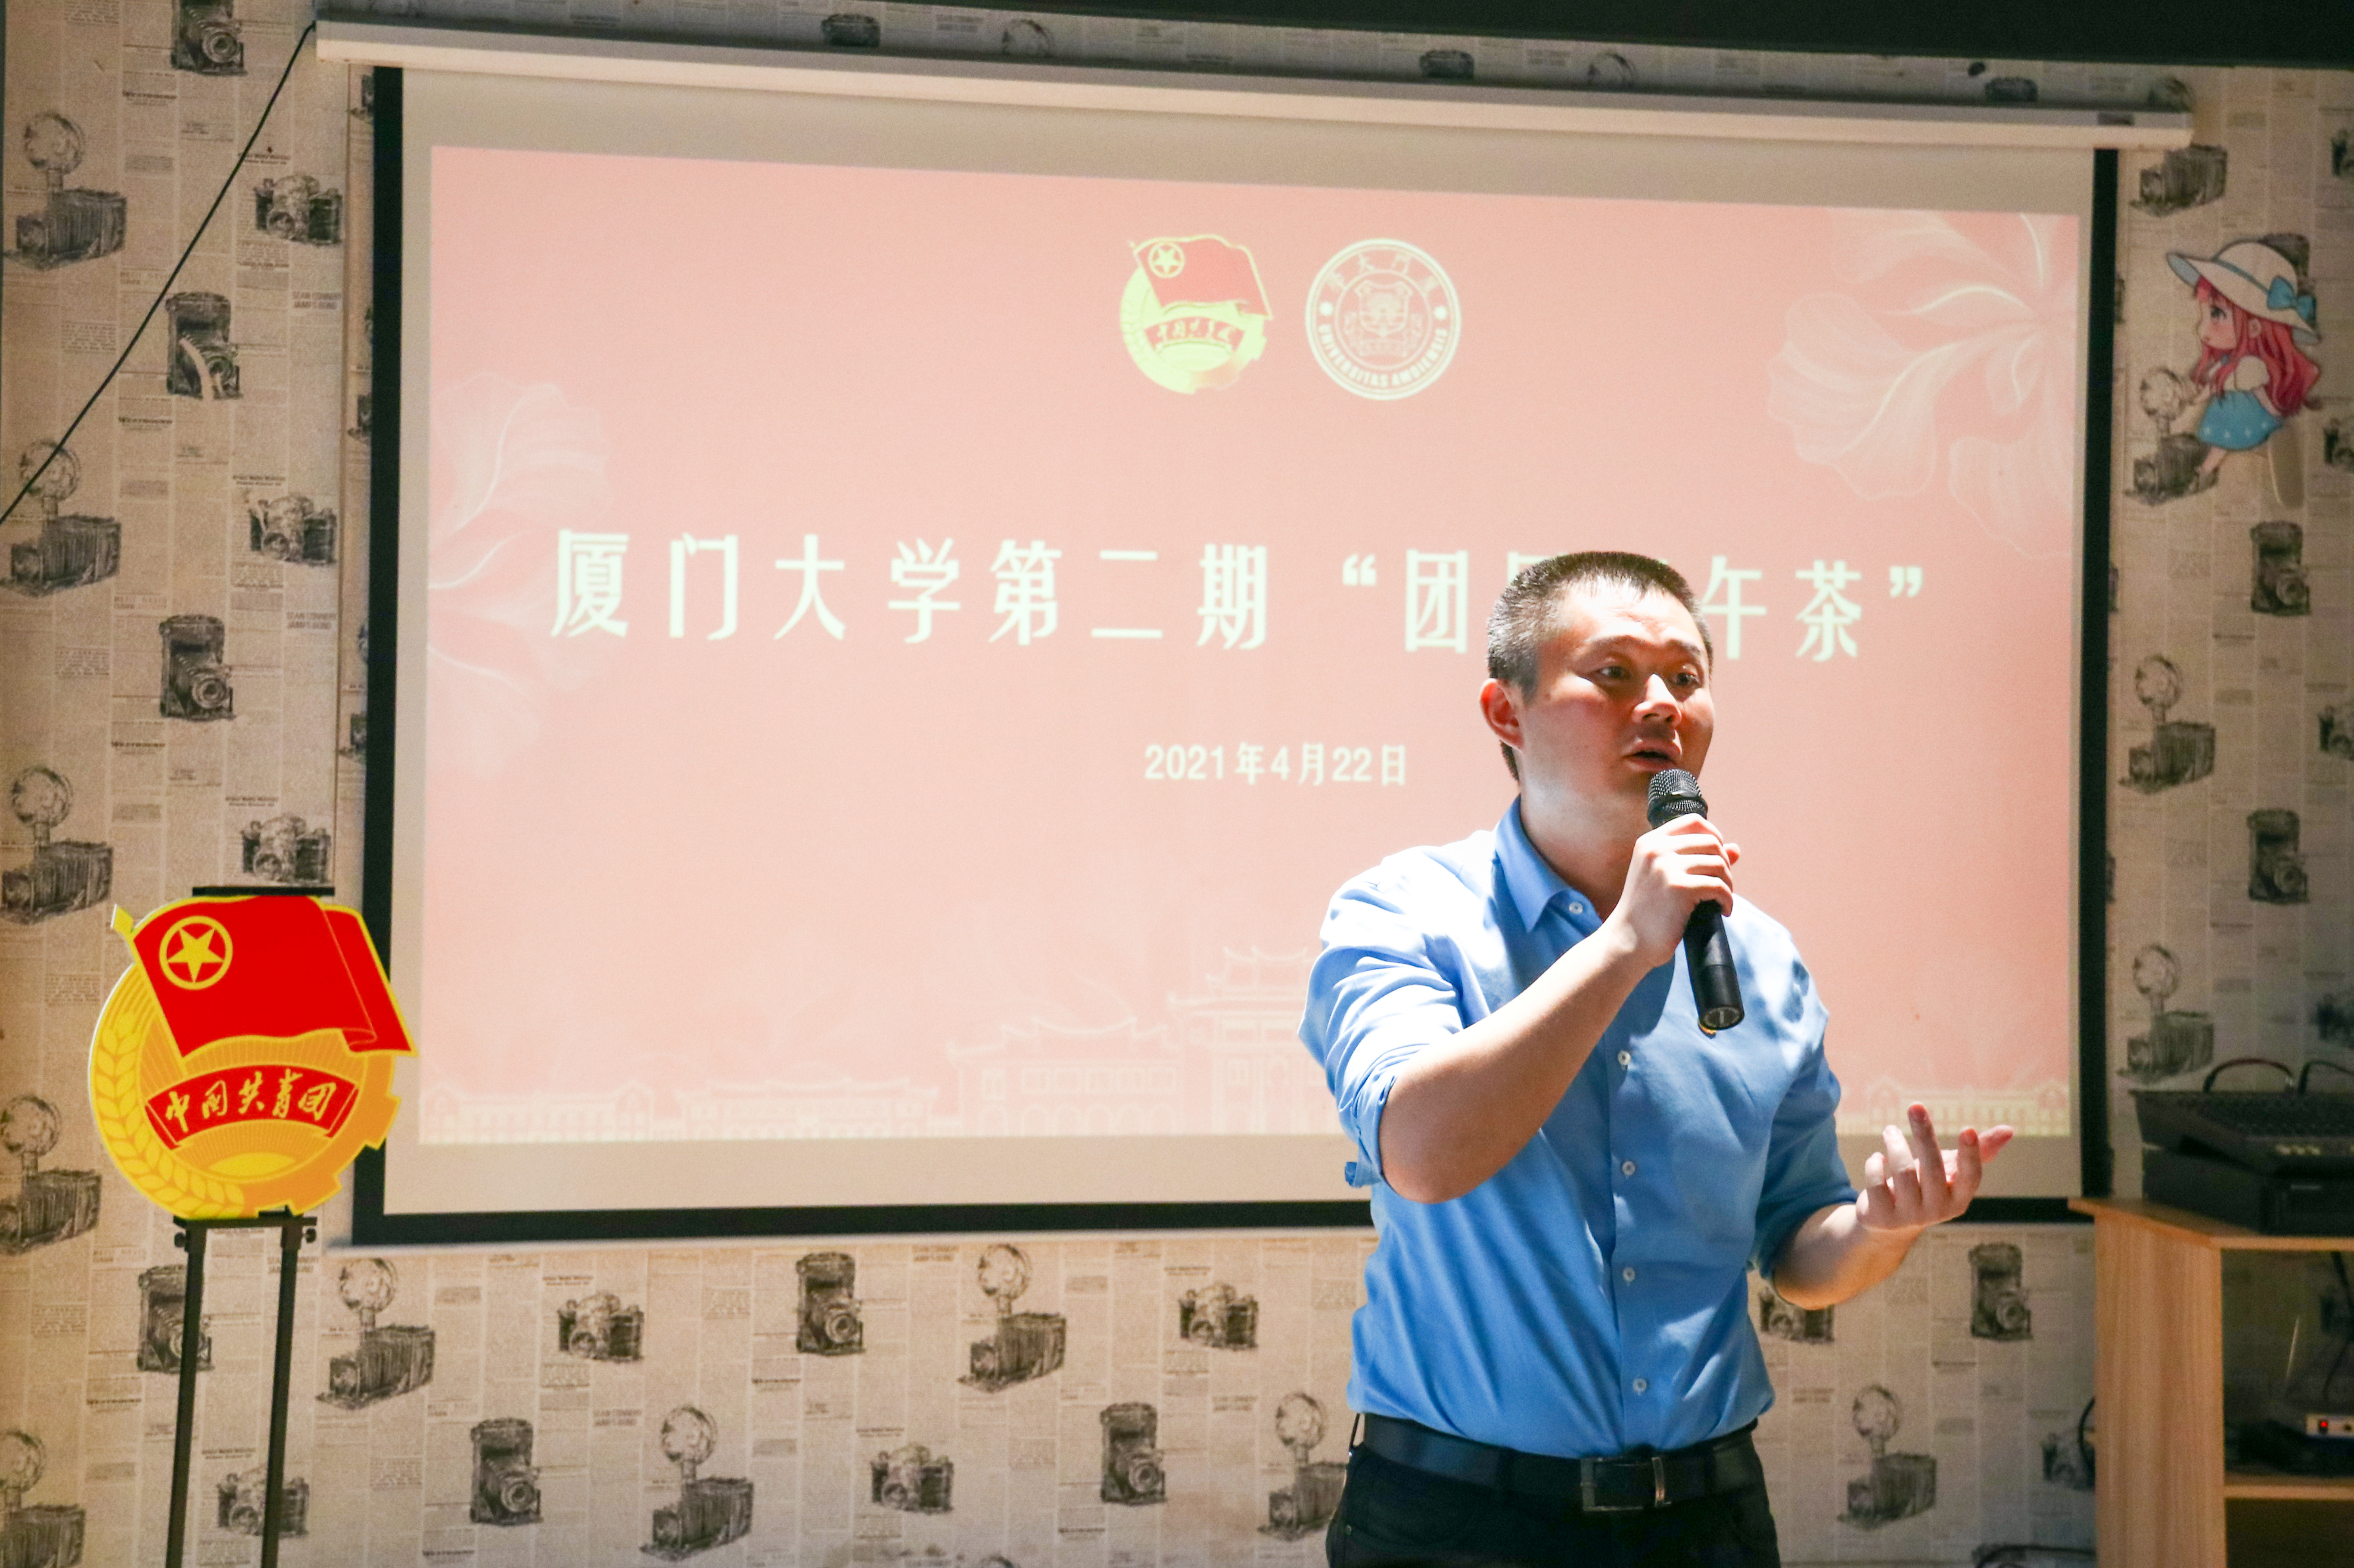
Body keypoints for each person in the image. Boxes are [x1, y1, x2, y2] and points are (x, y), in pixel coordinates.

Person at [1300, 552, 2012, 1568]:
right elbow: (1420, 1152)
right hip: (1455, 1520)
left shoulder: (1756, 956)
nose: (1661, 705)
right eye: (1614, 673)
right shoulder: (1403, 914)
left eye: (1684, 677)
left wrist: (1877, 1229)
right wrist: (1626, 944)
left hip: (1703, 1519)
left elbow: (1797, 1250)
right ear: (1505, 711)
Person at [2164, 240, 2321, 478]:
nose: (2201, 329)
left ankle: (2208, 469)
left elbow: (2245, 387)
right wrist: (2199, 397)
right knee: (2220, 443)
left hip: (2249, 420)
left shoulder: (2253, 366)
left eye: (2216, 314)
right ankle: (2207, 469)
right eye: (2205, 314)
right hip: (2232, 412)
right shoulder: (2230, 358)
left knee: (2224, 442)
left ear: (2255, 327)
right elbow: (2215, 382)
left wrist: (2273, 409)